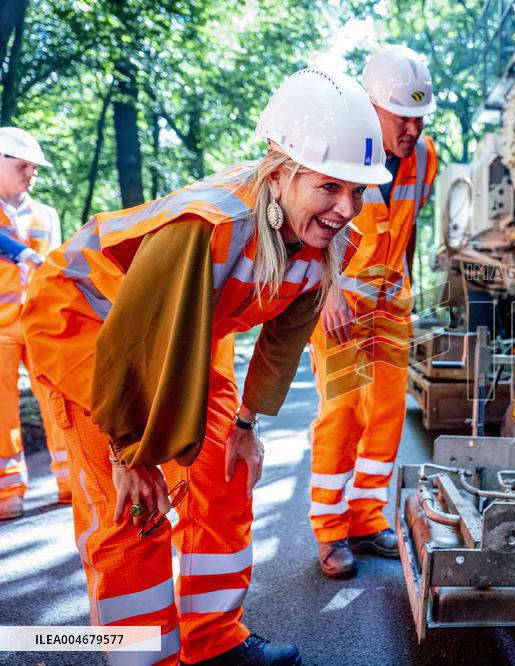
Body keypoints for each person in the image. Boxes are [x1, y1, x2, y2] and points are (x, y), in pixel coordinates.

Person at [21, 69, 390, 665]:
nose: (346, 208)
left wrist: (244, 429)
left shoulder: (317, 244)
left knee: (225, 475)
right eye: (329, 187)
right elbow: (135, 347)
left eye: (358, 191)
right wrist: (129, 454)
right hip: (88, 328)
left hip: (180, 336)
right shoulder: (210, 228)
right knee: (133, 512)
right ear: (280, 173)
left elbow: (281, 341)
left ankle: (215, 644)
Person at [308, 45, 438, 579]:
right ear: (369, 105)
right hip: (339, 305)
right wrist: (326, 293)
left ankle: (366, 516)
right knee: (343, 413)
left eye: (419, 116)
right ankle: (330, 531)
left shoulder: (424, 157)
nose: (412, 127)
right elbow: (306, 230)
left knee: (386, 413)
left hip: (391, 308)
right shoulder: (334, 150)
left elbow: (407, 233)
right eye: (401, 116)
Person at [0, 127, 71, 520]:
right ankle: (7, 493)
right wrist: (21, 253)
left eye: (35, 168)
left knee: (60, 403)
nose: (31, 174)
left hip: (43, 325)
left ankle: (71, 482)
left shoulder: (47, 215)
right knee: (1, 412)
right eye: (23, 165)